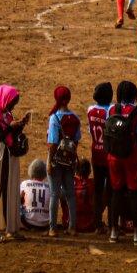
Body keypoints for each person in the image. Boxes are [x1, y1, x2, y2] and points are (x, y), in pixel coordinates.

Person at [0, 84, 31, 242]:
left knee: (11, 191)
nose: (13, 106)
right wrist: (10, 128)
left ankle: (11, 229)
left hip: (11, 155)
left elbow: (12, 132)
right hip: (0, 155)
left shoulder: (6, 115)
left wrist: (21, 124)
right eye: (12, 102)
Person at [105, 79, 137, 245]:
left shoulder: (112, 109)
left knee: (116, 191)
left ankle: (114, 230)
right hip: (131, 155)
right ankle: (136, 231)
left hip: (114, 156)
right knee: (134, 193)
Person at [47, 85, 81, 238]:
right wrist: (72, 156)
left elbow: (53, 142)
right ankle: (72, 227)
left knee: (54, 194)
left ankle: (53, 228)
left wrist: (49, 161)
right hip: (70, 160)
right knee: (70, 194)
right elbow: (76, 141)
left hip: (56, 160)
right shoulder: (75, 118)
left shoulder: (55, 118)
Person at [87, 82, 113, 232]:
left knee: (97, 190)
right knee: (110, 190)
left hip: (95, 152)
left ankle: (97, 224)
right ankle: (111, 223)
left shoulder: (90, 110)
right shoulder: (110, 111)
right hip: (108, 155)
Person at [20, 158, 51, 231]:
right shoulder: (49, 186)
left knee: (19, 202)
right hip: (46, 223)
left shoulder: (25, 183)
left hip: (28, 223)